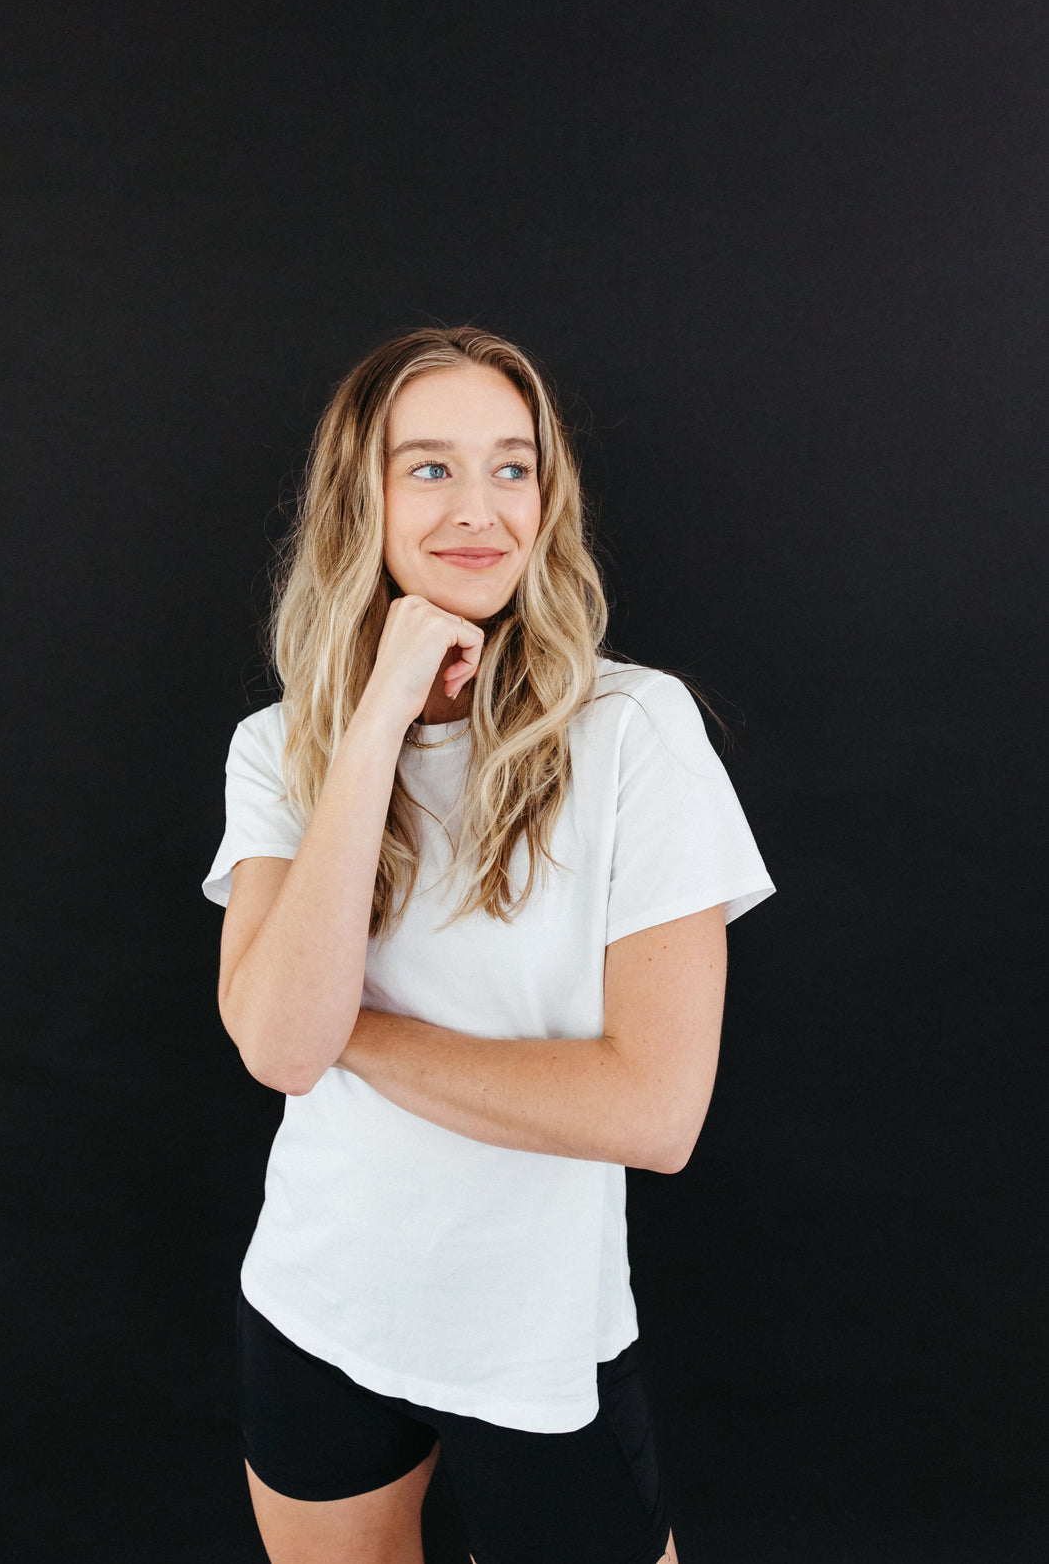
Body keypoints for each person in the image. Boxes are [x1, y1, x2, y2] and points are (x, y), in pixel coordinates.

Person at [202, 324, 775, 1564]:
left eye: (511, 468)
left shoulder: (634, 731)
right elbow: (272, 1052)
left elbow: (652, 1112)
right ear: (361, 497)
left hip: (532, 1338)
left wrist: (337, 1031)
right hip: (314, 1299)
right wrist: (372, 724)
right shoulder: (278, 746)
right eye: (429, 468)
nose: (480, 509)